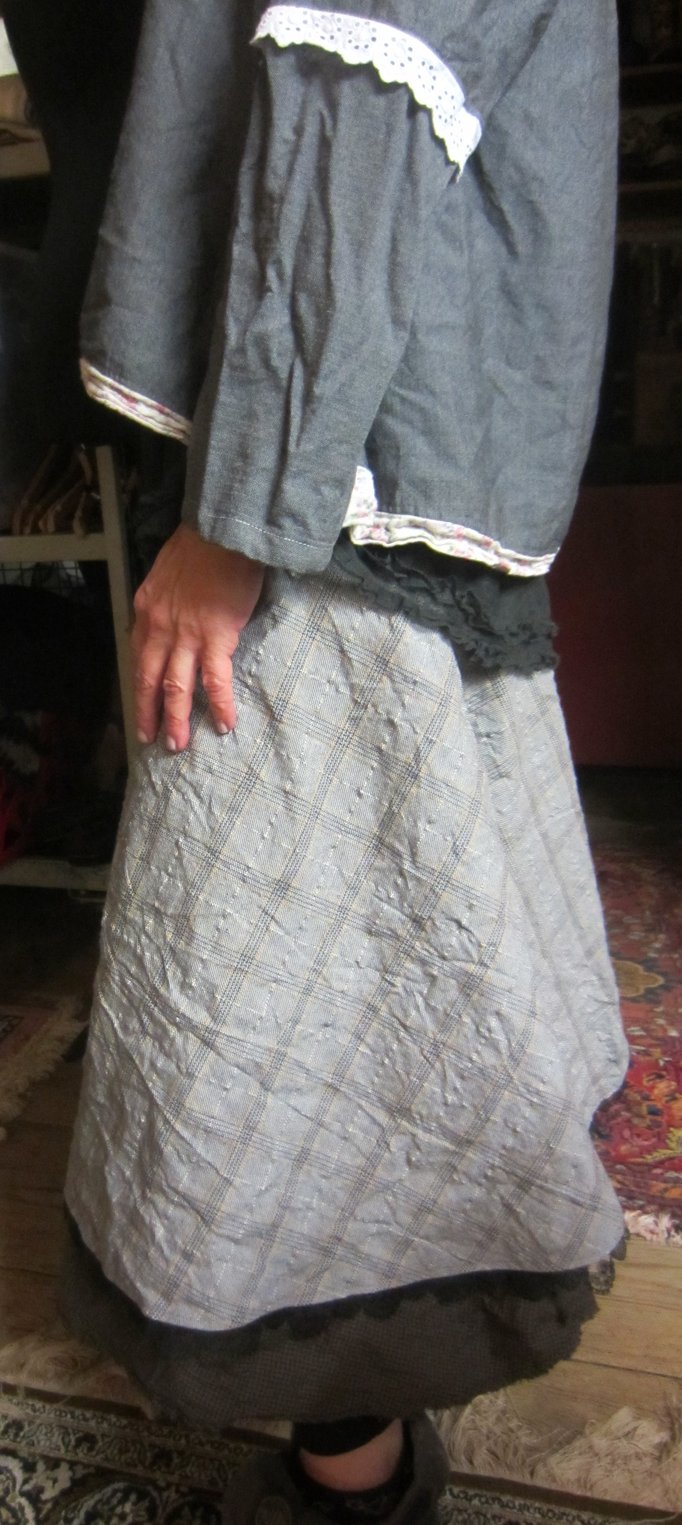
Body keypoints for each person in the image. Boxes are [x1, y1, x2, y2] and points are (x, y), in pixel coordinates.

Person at [59, 3, 630, 1521]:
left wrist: (237, 523)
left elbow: (355, 122)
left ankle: (350, 1479)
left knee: (302, 1017)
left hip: (338, 495)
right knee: (372, 990)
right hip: (352, 458)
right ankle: (361, 1458)